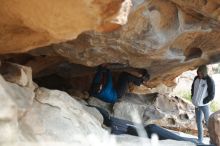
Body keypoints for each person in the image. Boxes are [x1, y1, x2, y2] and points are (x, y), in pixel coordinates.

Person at [88, 105, 198, 144]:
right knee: (181, 139)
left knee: (181, 139)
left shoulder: (112, 123)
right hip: (149, 130)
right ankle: (196, 143)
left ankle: (196, 143)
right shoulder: (112, 122)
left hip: (149, 130)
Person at [191, 65, 215, 144]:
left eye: (201, 73)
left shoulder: (209, 81)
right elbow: (193, 88)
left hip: (204, 105)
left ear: (204, 73)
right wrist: (193, 97)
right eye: (198, 73)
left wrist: (204, 101)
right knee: (198, 122)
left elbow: (212, 95)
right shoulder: (196, 78)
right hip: (197, 105)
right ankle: (200, 139)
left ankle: (213, 140)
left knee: (208, 122)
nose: (199, 75)